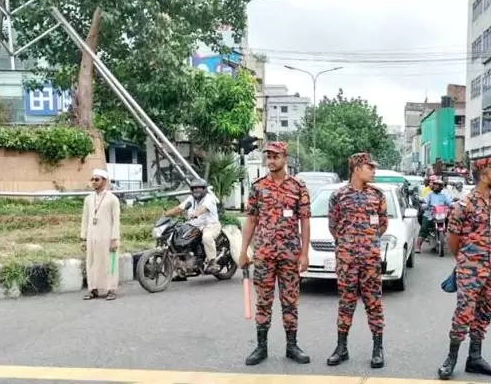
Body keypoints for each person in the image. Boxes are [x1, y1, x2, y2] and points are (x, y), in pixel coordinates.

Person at [238, 141, 311, 366]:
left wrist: (304, 253)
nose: (271, 161)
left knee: (290, 301)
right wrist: (243, 250)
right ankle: (261, 347)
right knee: (264, 301)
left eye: (275, 156)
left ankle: (292, 346)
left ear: (284, 158)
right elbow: (251, 219)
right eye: (268, 157)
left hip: (289, 255)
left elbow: (305, 222)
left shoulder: (298, 187)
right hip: (264, 254)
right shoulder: (258, 187)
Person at [436, 157, 491, 380]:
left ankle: (474, 358)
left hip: (490, 269)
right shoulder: (463, 205)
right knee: (464, 313)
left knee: (484, 312)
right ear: (483, 176)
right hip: (470, 269)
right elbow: (452, 238)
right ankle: (451, 358)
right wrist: (464, 261)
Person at [326, 152, 388, 369]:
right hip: (347, 260)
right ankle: (341, 348)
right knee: (346, 303)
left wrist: (367, 243)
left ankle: (378, 349)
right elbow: (333, 226)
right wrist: (348, 245)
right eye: (369, 167)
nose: (373, 171)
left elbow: (382, 225)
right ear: (356, 169)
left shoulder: (377, 195)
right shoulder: (339, 196)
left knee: (374, 303)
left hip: (370, 260)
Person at [80, 168, 122, 301]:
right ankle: (93, 289)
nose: (93, 182)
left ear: (105, 181)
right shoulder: (88, 199)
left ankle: (111, 289)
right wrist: (83, 238)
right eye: (92, 179)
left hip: (108, 236)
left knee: (110, 262)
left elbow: (116, 221)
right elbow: (85, 219)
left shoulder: (113, 199)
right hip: (92, 236)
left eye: (96, 179)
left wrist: (114, 239)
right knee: (92, 262)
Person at [164, 179, 222, 273]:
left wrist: (195, 213)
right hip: (194, 225)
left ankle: (212, 262)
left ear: (204, 189)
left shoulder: (209, 198)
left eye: (199, 188)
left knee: (206, 237)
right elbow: (180, 208)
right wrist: (166, 214)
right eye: (194, 188)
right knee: (177, 238)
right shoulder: (191, 198)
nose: (196, 190)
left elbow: (203, 208)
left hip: (210, 225)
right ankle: (180, 270)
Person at [417, 178, 454, 253]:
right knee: (424, 229)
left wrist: (453, 204)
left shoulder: (445, 194)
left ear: (441, 186)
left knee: (453, 224)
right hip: (430, 214)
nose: (435, 187)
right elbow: (425, 202)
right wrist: (424, 205)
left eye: (437, 185)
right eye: (434, 185)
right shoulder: (429, 194)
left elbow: (449, 202)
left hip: (442, 214)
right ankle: (418, 246)